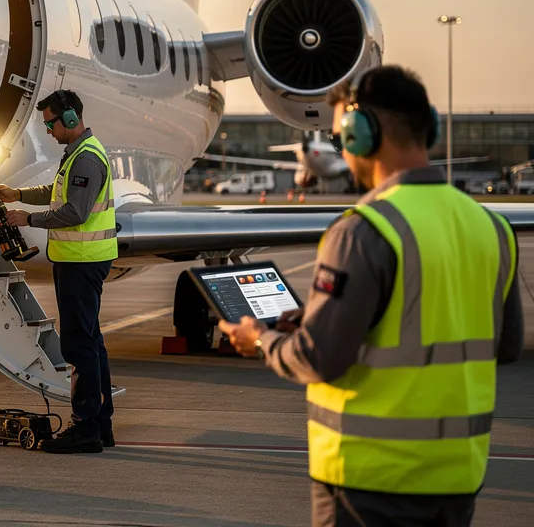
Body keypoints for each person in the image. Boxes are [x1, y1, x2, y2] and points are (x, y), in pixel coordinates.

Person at [219, 66, 522, 526]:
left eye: (344, 135)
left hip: (371, 485)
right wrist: (335, 316)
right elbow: (505, 344)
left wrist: (259, 339)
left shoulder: (365, 231)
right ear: (431, 128)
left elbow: (319, 358)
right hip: (458, 478)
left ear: (362, 136)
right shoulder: (494, 228)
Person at [0, 88, 117, 454]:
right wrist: (19, 194)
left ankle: (86, 428)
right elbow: (57, 193)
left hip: (82, 262)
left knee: (79, 346)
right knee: (92, 343)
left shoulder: (87, 159)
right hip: (80, 260)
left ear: (70, 119)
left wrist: (27, 218)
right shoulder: (79, 154)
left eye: (50, 124)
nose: (48, 131)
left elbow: (75, 213)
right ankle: (101, 424)